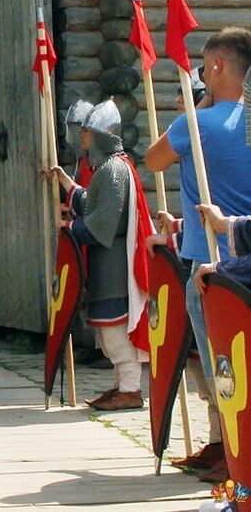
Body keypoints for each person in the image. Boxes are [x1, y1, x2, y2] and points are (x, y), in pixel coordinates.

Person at [146, 27, 251, 483]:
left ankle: (235, 458)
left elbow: (152, 159)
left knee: (221, 366)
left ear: (216, 67)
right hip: (244, 253)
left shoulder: (195, 123)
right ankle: (220, 445)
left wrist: (198, 107)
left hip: (211, 266)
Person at [46, 100, 152, 411]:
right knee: (107, 333)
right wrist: (65, 183)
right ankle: (120, 386)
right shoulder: (108, 169)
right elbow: (91, 204)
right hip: (107, 262)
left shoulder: (114, 169)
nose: (82, 138)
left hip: (114, 265)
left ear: (101, 134)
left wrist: (69, 229)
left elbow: (102, 223)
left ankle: (131, 389)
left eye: (88, 133)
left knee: (115, 331)